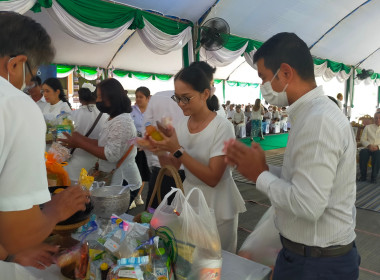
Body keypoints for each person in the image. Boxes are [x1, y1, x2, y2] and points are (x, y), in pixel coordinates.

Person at [224, 32, 359, 279]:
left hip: (317, 264)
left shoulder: (319, 121)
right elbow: (303, 181)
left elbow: (307, 205)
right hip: (305, 256)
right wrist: (265, 168)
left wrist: (260, 175)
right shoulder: (310, 115)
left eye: (263, 78)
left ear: (286, 72)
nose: (262, 87)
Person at [0, 11, 88, 270]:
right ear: (15, 64)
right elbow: (18, 236)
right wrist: (56, 211)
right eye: (29, 79)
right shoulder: (15, 104)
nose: (27, 87)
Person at [151, 65, 246, 253]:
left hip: (218, 203)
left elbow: (213, 178)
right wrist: (159, 148)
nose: (180, 103)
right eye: (177, 98)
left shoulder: (222, 126)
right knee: (191, 258)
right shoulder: (181, 124)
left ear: (205, 94)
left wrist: (176, 150)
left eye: (186, 98)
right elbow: (175, 166)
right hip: (190, 198)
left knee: (219, 259)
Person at [60, 78, 142, 189]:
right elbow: (104, 143)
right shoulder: (113, 118)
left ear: (112, 98)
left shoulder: (122, 122)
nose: (97, 100)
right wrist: (79, 138)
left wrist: (80, 143)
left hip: (121, 183)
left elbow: (111, 154)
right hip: (110, 179)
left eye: (100, 97)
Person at [64, 83, 108, 181]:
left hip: (72, 168)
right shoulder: (106, 116)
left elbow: (62, 139)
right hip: (95, 167)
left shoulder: (71, 116)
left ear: (80, 99)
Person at [129, 86, 152, 209]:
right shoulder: (131, 111)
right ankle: (132, 197)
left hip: (146, 146)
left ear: (148, 98)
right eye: (137, 96)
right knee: (132, 171)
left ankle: (137, 195)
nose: (138, 99)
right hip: (133, 146)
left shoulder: (152, 112)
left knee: (142, 173)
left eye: (141, 97)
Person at [358, 111, 380, 184]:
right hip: (368, 148)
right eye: (376, 118)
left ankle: (374, 177)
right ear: (374, 119)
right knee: (363, 153)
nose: (378, 120)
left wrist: (378, 147)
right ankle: (363, 176)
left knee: (377, 154)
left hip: (378, 149)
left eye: (379, 118)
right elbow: (362, 139)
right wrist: (369, 145)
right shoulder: (368, 127)